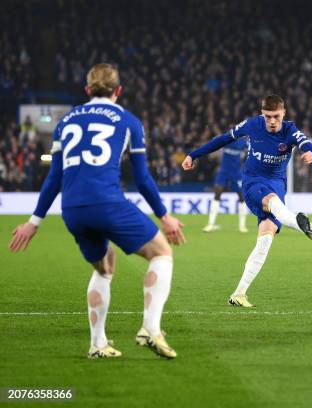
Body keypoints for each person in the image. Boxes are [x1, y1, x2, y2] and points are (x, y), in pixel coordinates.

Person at [9, 64, 186, 358]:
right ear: (118, 91)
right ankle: (150, 329)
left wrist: (34, 222)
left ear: (87, 90)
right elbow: (142, 178)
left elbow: (54, 177)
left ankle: (97, 344)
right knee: (161, 252)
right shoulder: (129, 121)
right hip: (107, 202)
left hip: (73, 209)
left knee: (104, 267)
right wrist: (164, 216)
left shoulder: (65, 122)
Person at [182, 94, 312, 307]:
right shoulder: (251, 125)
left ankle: (238, 294)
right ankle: (298, 222)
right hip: (252, 182)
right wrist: (194, 154)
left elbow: (311, 147)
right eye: (267, 116)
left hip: (277, 183)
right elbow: (222, 139)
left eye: (276, 116)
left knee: (265, 240)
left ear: (283, 113)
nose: (272, 121)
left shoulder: (290, 130)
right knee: (273, 201)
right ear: (261, 114)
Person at [203, 137, 249, 233]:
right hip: (224, 171)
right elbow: (214, 148)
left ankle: (242, 226)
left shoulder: (243, 143)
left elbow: (250, 151)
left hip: (236, 172)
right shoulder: (225, 140)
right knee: (217, 194)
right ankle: (210, 224)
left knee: (241, 197)